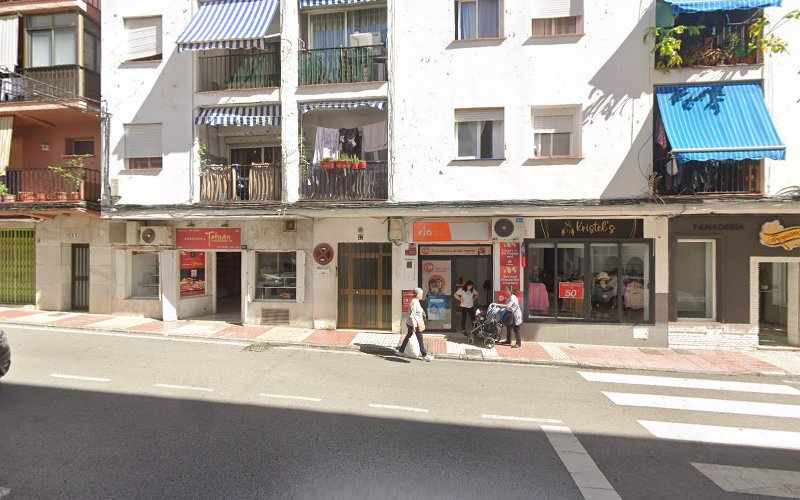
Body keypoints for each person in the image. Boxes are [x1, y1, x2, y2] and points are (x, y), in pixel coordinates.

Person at [398, 288, 433, 361]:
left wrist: (423, 312)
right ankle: (424, 355)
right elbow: (412, 315)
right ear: (418, 294)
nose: (422, 295)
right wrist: (414, 326)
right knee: (420, 338)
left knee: (409, 336)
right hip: (414, 324)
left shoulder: (416, 301)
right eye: (421, 294)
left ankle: (401, 351)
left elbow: (418, 310)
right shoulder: (414, 302)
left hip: (412, 323)